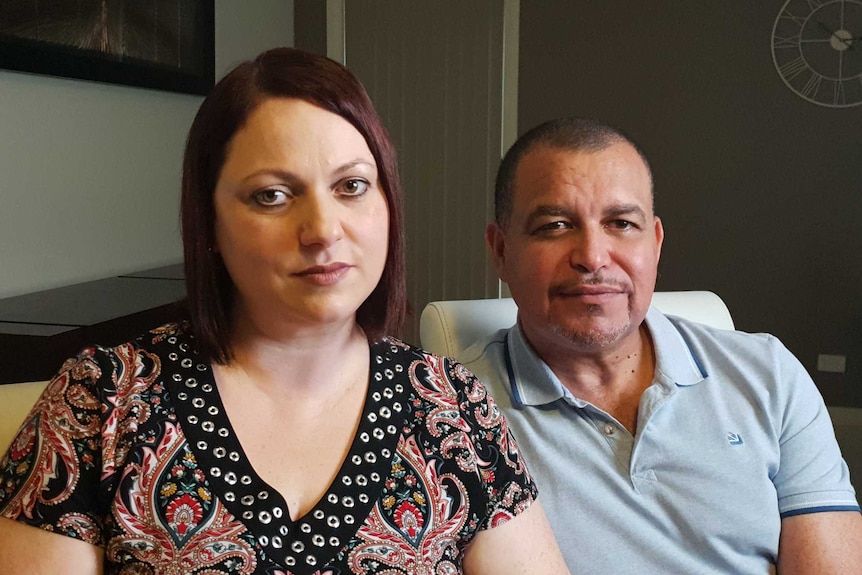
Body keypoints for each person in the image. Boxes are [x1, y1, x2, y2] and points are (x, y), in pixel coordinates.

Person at [0, 48, 569, 575]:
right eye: (272, 195)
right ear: (210, 225)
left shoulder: (454, 408)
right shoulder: (99, 402)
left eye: (351, 186)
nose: (323, 230)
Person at [461, 117, 862, 574]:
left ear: (654, 243)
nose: (592, 256)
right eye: (555, 225)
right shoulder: (450, 415)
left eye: (621, 223)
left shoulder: (768, 374)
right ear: (500, 251)